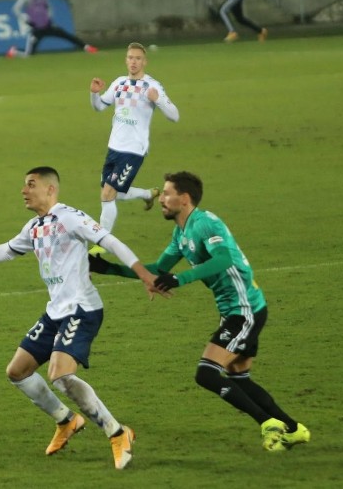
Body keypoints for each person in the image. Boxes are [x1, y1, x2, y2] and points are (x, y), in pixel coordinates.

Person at [0, 166, 167, 469]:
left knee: (60, 375)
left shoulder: (70, 217)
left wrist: (144, 275)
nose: (24, 190)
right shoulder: (34, 226)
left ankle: (118, 432)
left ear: (50, 189)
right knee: (17, 371)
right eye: (24, 185)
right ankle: (66, 420)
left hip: (82, 309)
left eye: (31, 184)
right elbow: (5, 250)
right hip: (55, 311)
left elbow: (110, 242)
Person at [88, 171, 310, 451]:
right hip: (235, 310)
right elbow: (158, 271)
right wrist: (108, 269)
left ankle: (268, 424)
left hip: (245, 311)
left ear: (184, 198)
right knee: (239, 378)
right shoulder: (181, 232)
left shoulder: (205, 223)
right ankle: (294, 429)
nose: (161, 199)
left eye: (167, 194)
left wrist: (181, 279)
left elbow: (224, 258)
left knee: (206, 373)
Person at [89, 42, 179, 241]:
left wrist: (159, 101)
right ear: (126, 60)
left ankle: (100, 243)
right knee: (114, 194)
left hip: (134, 149)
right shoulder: (119, 83)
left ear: (144, 61)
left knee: (107, 195)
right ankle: (147, 194)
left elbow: (175, 116)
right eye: (130, 58)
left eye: (138, 58)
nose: (133, 62)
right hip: (114, 146)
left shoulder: (153, 86)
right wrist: (94, 93)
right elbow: (99, 107)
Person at [7, 0, 98, 58]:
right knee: (29, 54)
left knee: (66, 35)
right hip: (36, 29)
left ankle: (86, 47)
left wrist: (49, 18)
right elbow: (16, 9)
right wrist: (26, 20)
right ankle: (14, 51)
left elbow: (49, 9)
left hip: (47, 26)